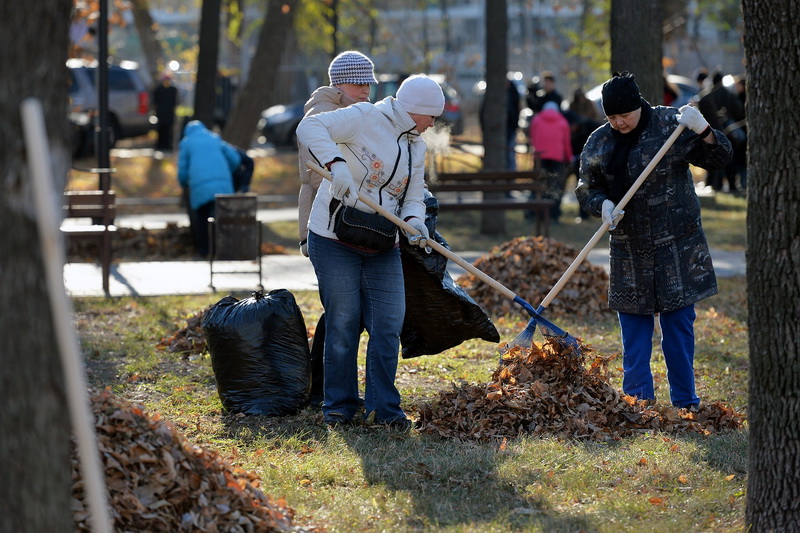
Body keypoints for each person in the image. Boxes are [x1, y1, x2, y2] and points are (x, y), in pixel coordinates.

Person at [576, 71, 732, 409]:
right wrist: (600, 204)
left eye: (624, 115)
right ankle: (637, 402)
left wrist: (703, 129)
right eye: (611, 116)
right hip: (630, 249)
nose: (618, 122)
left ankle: (685, 401)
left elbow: (719, 159)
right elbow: (587, 187)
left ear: (639, 106)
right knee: (634, 330)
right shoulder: (600, 141)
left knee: (678, 328)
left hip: (677, 244)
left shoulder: (669, 126)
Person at [296, 74, 444, 429]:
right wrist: (337, 165)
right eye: (431, 117)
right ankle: (339, 406)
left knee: (388, 323)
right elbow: (309, 128)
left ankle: (384, 408)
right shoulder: (364, 117)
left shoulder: (416, 145)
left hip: (382, 243)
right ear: (416, 111)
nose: (433, 125)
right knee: (344, 321)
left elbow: (413, 193)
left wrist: (415, 221)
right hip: (333, 238)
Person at [296, 50, 379, 408]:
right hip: (327, 225)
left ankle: (322, 386)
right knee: (342, 313)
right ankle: (322, 390)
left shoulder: (351, 111)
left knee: (343, 313)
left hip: (349, 224)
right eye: (357, 83)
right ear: (338, 84)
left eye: (368, 83)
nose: (365, 90)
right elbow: (317, 172)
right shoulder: (322, 114)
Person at [177, 120, 241, 257]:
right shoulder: (214, 138)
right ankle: (225, 250)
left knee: (202, 218)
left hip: (200, 186)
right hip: (223, 186)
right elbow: (235, 159)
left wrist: (184, 185)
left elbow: (182, 171)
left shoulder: (187, 142)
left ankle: (205, 251)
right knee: (223, 217)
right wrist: (226, 173)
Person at [695, 70, 746, 193]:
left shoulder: (705, 98)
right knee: (730, 160)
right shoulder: (729, 95)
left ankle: (714, 184)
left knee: (712, 159)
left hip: (709, 134)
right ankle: (732, 184)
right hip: (729, 133)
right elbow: (739, 111)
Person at [529, 101, 573, 223]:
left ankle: (536, 214)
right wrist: (568, 158)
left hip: (540, 158)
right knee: (555, 187)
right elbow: (566, 143)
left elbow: (532, 137)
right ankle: (554, 214)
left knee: (539, 186)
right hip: (557, 158)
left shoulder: (537, 119)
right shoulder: (562, 121)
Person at [152, 71, 179, 151]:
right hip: (163, 113)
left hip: (166, 113)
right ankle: (162, 145)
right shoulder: (162, 89)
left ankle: (166, 146)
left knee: (167, 130)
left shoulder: (171, 90)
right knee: (162, 130)